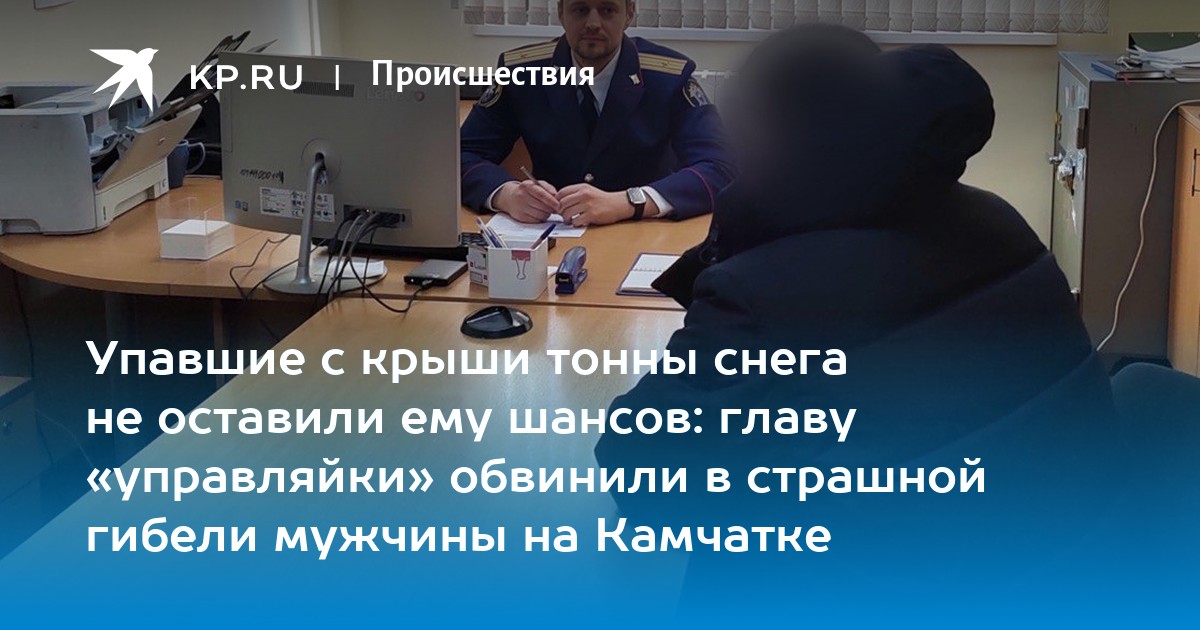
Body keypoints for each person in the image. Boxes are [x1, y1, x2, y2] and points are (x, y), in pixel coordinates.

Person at [593, 25, 1125, 622]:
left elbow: (639, 475)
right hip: (1066, 569)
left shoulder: (765, 289)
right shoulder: (999, 218)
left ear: (772, 135)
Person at [460, 0, 734, 226]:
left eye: (607, 10)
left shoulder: (668, 77)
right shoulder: (522, 73)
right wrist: (506, 194)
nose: (593, 23)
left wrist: (629, 202)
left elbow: (721, 166)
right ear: (561, 14)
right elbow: (460, 155)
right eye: (580, 9)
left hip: (643, 231)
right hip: (550, 234)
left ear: (629, 14)